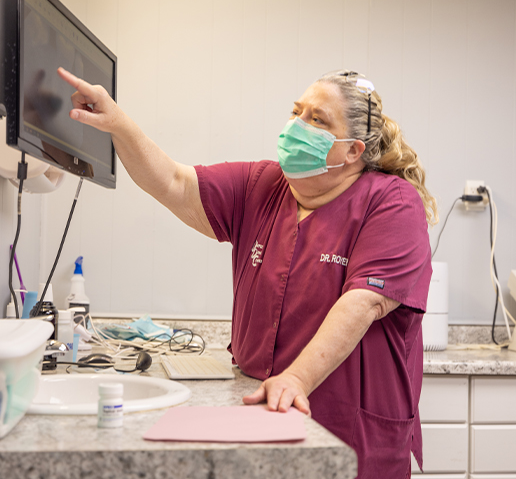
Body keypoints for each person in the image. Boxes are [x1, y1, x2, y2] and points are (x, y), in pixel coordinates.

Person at [57, 67, 437, 479]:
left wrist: (295, 379)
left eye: (317, 119)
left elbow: (362, 302)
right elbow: (174, 182)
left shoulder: (393, 202)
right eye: (297, 111)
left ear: (352, 151)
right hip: (265, 416)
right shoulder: (263, 185)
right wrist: (118, 123)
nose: (297, 125)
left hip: (353, 434)